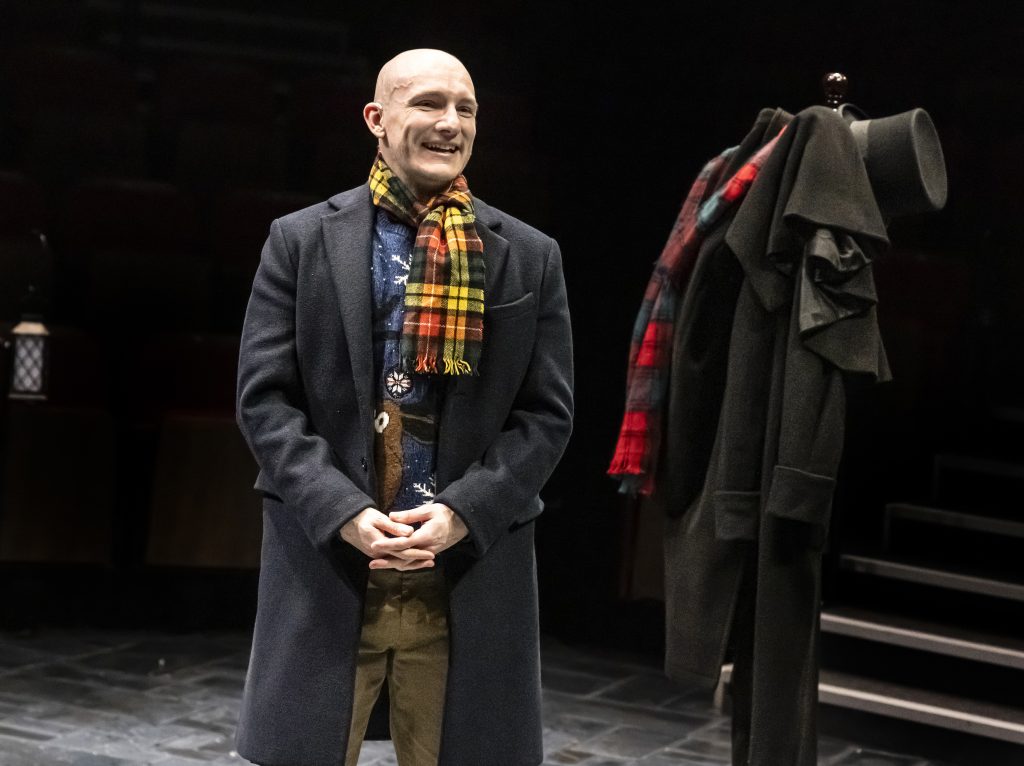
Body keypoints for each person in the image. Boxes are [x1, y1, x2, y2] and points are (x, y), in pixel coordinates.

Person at [233, 48, 574, 766]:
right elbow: (265, 400)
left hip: (464, 572)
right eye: (428, 103)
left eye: (466, 108)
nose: (451, 123)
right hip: (330, 564)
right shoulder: (300, 240)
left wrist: (463, 512)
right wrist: (343, 512)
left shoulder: (529, 254)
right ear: (376, 119)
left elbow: (545, 416)